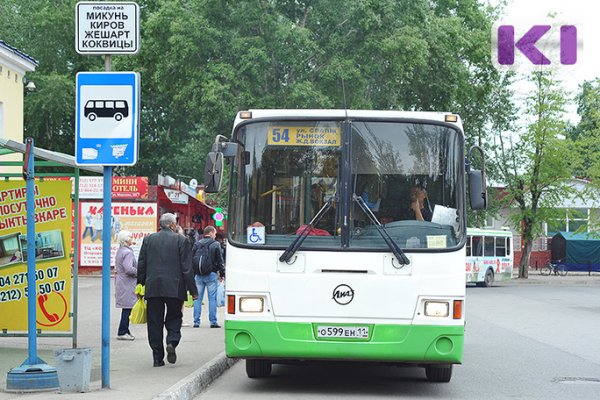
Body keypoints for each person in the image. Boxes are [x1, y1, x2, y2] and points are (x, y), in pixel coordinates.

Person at [137, 213, 198, 367]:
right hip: (174, 287)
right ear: (172, 225)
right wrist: (193, 290)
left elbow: (142, 264)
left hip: (153, 287)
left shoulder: (148, 240)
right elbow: (187, 268)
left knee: (154, 322)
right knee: (174, 317)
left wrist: (140, 285)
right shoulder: (181, 240)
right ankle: (172, 341)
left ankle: (157, 358)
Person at [192, 226, 225, 328]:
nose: (215, 236)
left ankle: (196, 322)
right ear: (211, 233)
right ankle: (213, 322)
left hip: (198, 275)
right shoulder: (215, 244)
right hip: (211, 274)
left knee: (197, 299)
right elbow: (220, 261)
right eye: (214, 234)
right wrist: (222, 274)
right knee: (212, 299)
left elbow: (191, 259)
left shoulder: (197, 244)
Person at [114, 230, 137, 341]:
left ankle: (125, 330)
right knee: (127, 308)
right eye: (131, 237)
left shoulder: (121, 251)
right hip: (127, 283)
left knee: (126, 307)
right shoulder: (127, 252)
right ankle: (122, 331)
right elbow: (129, 269)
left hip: (122, 282)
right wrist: (139, 271)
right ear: (126, 240)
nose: (132, 239)